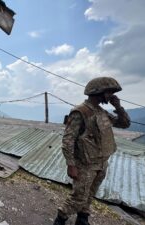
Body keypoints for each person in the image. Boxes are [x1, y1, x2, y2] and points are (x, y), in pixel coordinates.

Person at [53, 77, 130, 225]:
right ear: (98, 92)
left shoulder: (101, 112)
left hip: (101, 163)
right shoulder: (80, 112)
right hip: (85, 164)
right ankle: (60, 219)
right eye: (109, 92)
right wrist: (71, 165)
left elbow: (124, 124)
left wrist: (118, 107)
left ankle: (83, 219)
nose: (111, 96)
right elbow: (68, 140)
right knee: (78, 197)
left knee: (90, 195)